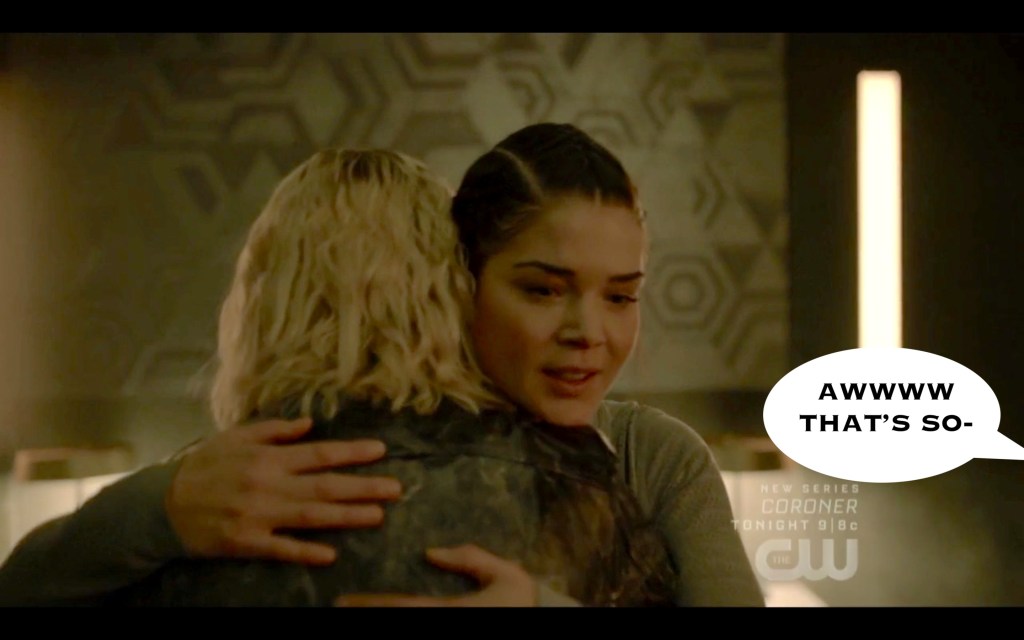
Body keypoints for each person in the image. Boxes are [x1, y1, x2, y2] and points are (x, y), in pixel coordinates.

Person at [0, 124, 765, 607]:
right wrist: (163, 503)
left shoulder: (650, 456)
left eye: (622, 296)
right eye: (540, 289)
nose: (587, 333)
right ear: (462, 284)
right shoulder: (244, 478)